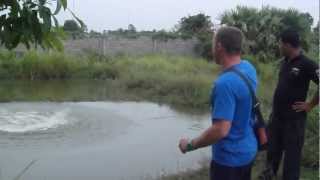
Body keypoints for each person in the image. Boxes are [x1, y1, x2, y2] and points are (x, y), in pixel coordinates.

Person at [178, 26, 258, 180]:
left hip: (229, 160)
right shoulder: (249, 68)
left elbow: (221, 130)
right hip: (248, 149)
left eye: (213, 43)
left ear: (219, 46)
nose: (212, 48)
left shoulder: (224, 84)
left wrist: (189, 145)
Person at [262, 29, 319, 180]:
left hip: (294, 121)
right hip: (277, 119)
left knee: (292, 160)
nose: (279, 47)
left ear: (287, 45)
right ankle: (269, 176)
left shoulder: (307, 64)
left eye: (280, 44)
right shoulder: (285, 62)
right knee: (272, 153)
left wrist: (310, 105)